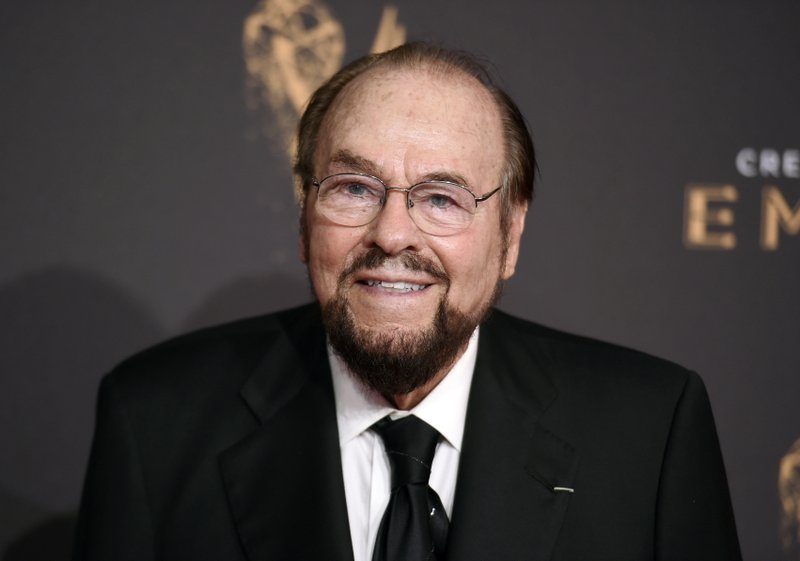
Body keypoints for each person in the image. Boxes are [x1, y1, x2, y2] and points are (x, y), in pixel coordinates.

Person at [73, 42, 741, 561]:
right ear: (305, 218)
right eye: (354, 188)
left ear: (510, 233)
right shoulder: (154, 424)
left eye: (441, 198)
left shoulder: (650, 433)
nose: (392, 233)